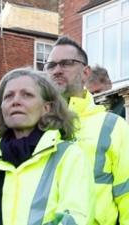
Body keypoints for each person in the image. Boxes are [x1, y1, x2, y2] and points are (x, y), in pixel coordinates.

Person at [0, 68, 94, 225]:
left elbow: (76, 218)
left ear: (47, 108)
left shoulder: (69, 155)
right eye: (8, 96)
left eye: (27, 95)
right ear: (1, 109)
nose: (16, 101)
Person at [45, 36, 129, 225]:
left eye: (66, 63)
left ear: (85, 73)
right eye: (51, 65)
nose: (57, 70)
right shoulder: (35, 126)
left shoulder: (112, 126)